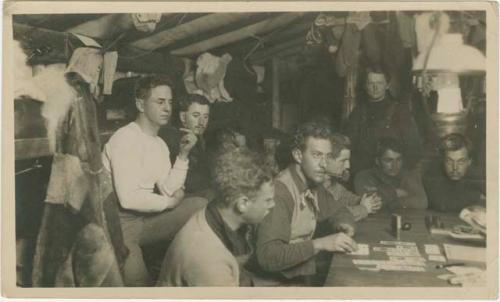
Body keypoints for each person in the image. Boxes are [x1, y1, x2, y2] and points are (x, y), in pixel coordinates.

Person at [102, 75, 208, 286]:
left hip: (144, 222)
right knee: (140, 286)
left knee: (201, 205)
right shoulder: (125, 139)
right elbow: (128, 200)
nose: (167, 108)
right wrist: (171, 202)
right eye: (160, 102)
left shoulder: (158, 143)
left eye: (169, 102)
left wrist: (183, 155)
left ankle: (186, 268)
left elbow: (169, 188)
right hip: (116, 227)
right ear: (140, 104)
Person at [255, 121, 357, 284]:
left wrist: (344, 224)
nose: (324, 164)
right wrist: (320, 244)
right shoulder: (281, 192)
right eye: (316, 155)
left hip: (299, 276)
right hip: (273, 285)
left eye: (328, 156)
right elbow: (268, 256)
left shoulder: (312, 183)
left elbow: (339, 210)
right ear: (298, 155)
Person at [156, 148, 275, 286]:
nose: (273, 204)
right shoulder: (211, 261)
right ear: (242, 204)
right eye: (268, 200)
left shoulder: (212, 213)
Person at [344, 70, 423, 175]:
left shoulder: (400, 111)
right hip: (363, 173)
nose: (375, 87)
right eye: (371, 83)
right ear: (365, 86)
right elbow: (349, 142)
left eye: (379, 83)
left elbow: (414, 148)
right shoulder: (358, 111)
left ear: (387, 85)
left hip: (393, 173)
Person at [159, 93, 212, 199]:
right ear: (183, 117)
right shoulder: (173, 138)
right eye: (196, 116)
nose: (202, 122)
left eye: (205, 117)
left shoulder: (196, 136)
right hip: (177, 197)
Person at [354, 138, 428, 211]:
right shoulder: (364, 176)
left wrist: (390, 201)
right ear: (377, 161)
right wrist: (395, 192)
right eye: (388, 160)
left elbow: (422, 202)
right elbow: (370, 203)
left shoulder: (409, 176)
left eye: (398, 160)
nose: (394, 166)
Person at [323, 133, 382, 221]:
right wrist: (363, 208)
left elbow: (350, 199)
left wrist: (371, 202)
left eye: (348, 160)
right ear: (326, 159)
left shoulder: (332, 184)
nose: (348, 166)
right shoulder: (316, 187)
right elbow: (331, 217)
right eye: (343, 161)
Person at [424, 133, 486, 212]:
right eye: (449, 161)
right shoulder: (432, 174)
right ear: (443, 160)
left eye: (461, 162)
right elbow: (441, 204)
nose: (455, 168)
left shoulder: (480, 176)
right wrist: (477, 197)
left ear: (469, 161)